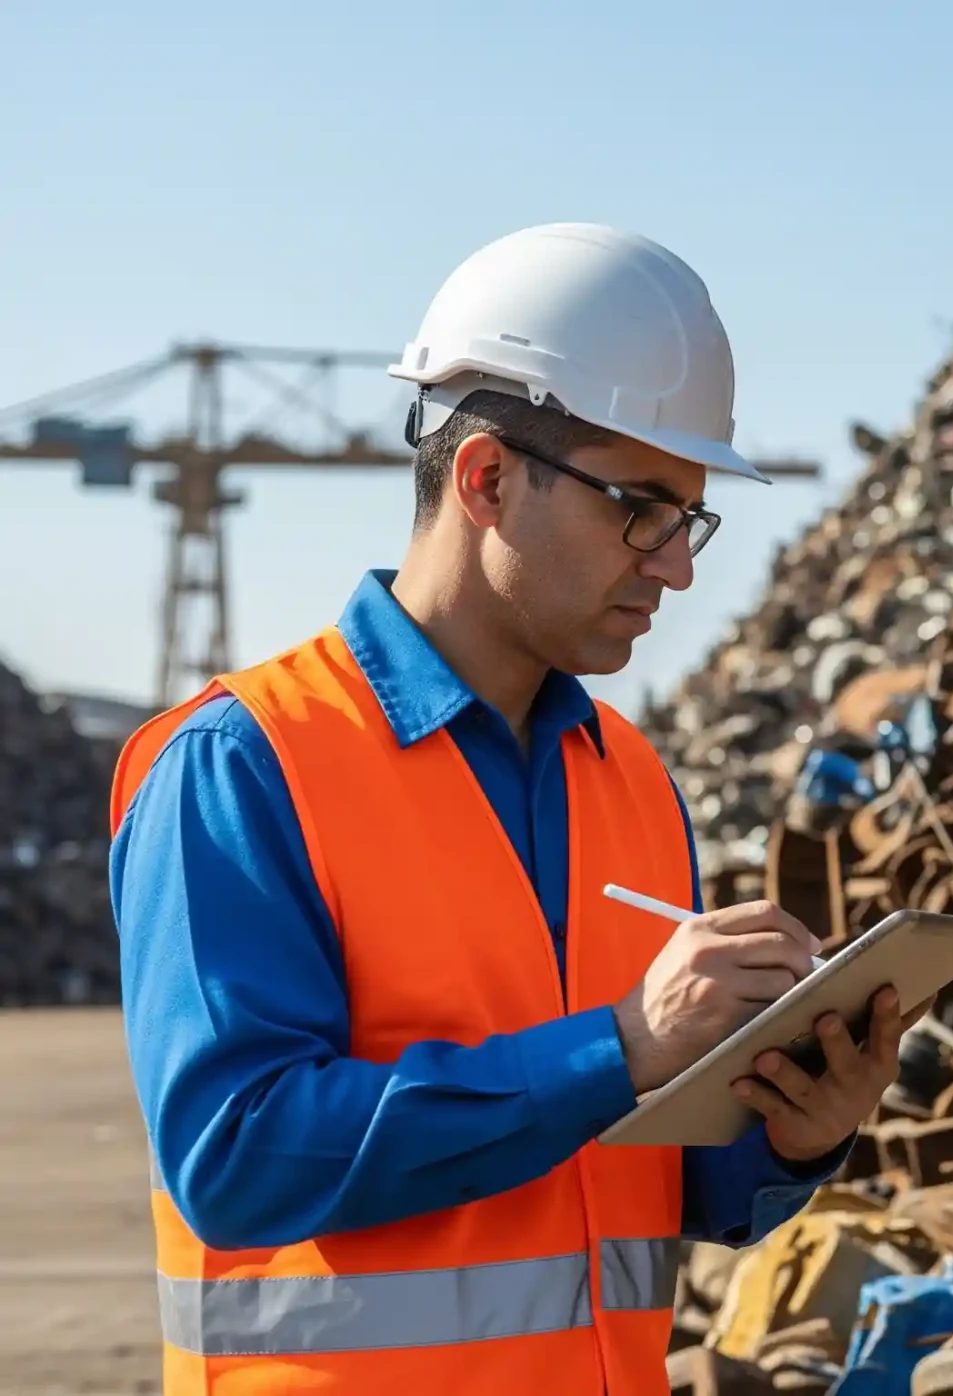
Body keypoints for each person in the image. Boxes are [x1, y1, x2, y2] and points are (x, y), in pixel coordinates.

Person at [109, 223, 902, 1395]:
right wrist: (620, 1043)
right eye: (640, 507)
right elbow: (238, 1153)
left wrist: (794, 1130)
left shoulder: (629, 777)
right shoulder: (243, 764)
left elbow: (633, 1175)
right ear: (484, 478)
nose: (675, 565)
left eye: (690, 516)